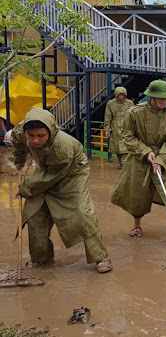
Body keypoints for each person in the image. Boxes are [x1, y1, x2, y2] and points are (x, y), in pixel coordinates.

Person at [9, 107, 111, 273]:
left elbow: (53, 176)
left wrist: (26, 188)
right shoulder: (21, 131)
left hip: (72, 174)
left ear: (51, 131)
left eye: (41, 136)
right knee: (35, 215)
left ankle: (100, 257)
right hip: (46, 170)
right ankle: (42, 259)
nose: (35, 140)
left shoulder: (63, 146)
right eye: (31, 136)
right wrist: (19, 158)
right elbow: (18, 141)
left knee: (82, 214)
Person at [111, 79, 166, 243]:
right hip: (140, 159)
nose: (164, 102)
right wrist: (145, 152)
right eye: (161, 99)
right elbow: (127, 136)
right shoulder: (135, 113)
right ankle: (137, 226)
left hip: (165, 158)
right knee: (138, 193)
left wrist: (161, 160)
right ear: (151, 97)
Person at [103, 86, 134, 169]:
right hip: (115, 128)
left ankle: (124, 163)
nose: (121, 97)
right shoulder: (110, 103)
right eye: (120, 95)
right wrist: (107, 129)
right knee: (117, 148)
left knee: (125, 147)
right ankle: (121, 162)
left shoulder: (129, 103)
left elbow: (133, 115)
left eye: (123, 95)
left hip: (126, 127)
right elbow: (107, 117)